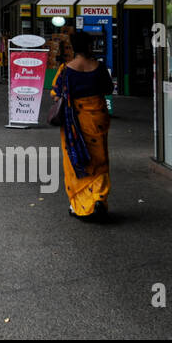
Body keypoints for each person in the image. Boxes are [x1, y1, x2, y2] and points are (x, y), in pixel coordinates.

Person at [50, 30, 113, 221]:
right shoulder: (99, 67)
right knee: (99, 160)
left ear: (73, 47)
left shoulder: (66, 69)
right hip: (98, 121)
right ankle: (99, 198)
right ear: (90, 46)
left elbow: (55, 93)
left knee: (76, 161)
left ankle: (81, 205)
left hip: (75, 124)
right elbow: (108, 89)